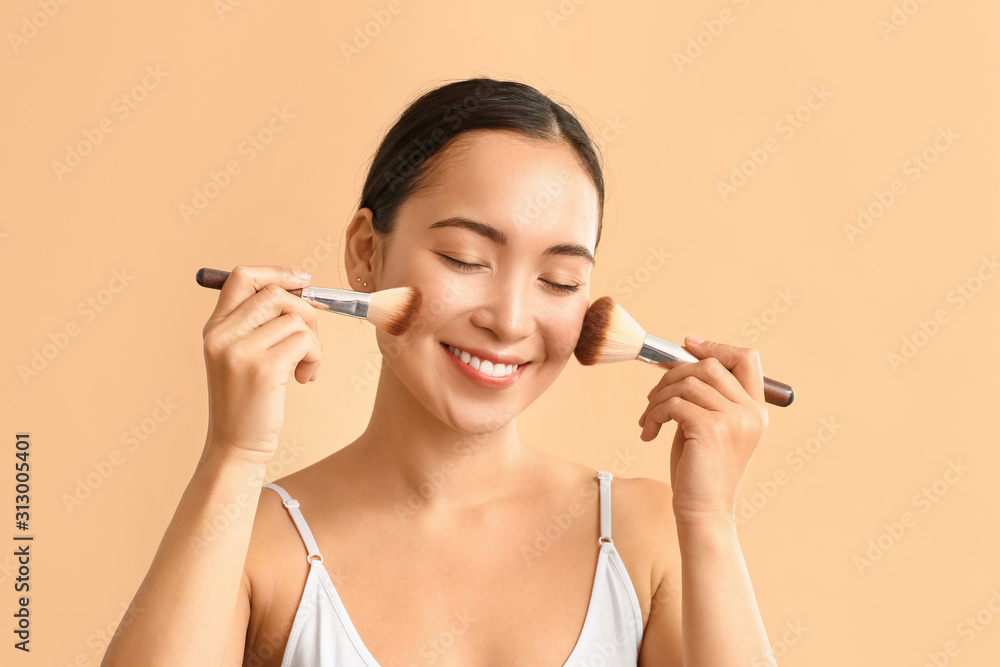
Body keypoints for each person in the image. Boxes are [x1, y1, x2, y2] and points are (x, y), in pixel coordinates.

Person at [102, 77, 776, 666]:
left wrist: (710, 517)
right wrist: (234, 456)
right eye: (463, 258)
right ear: (367, 251)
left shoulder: (646, 536)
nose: (510, 320)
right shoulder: (257, 545)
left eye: (560, 279)